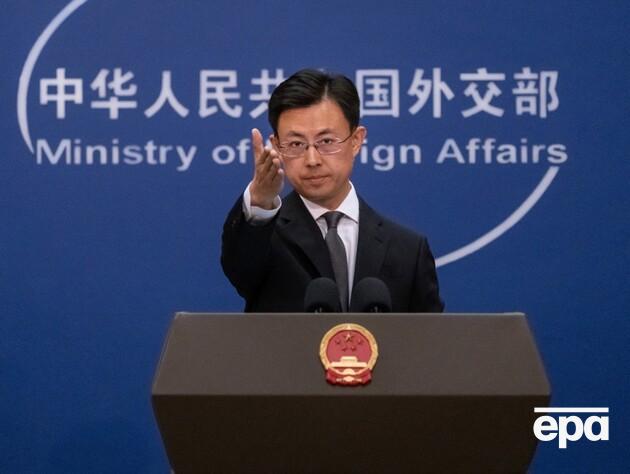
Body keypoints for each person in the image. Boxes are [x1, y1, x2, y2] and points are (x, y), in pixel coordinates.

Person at [221, 68, 444, 312]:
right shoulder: (263, 237)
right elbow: (239, 270)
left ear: (356, 140)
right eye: (296, 144)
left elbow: (430, 335)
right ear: (276, 146)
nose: (312, 159)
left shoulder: (409, 251)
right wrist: (260, 201)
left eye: (326, 141)